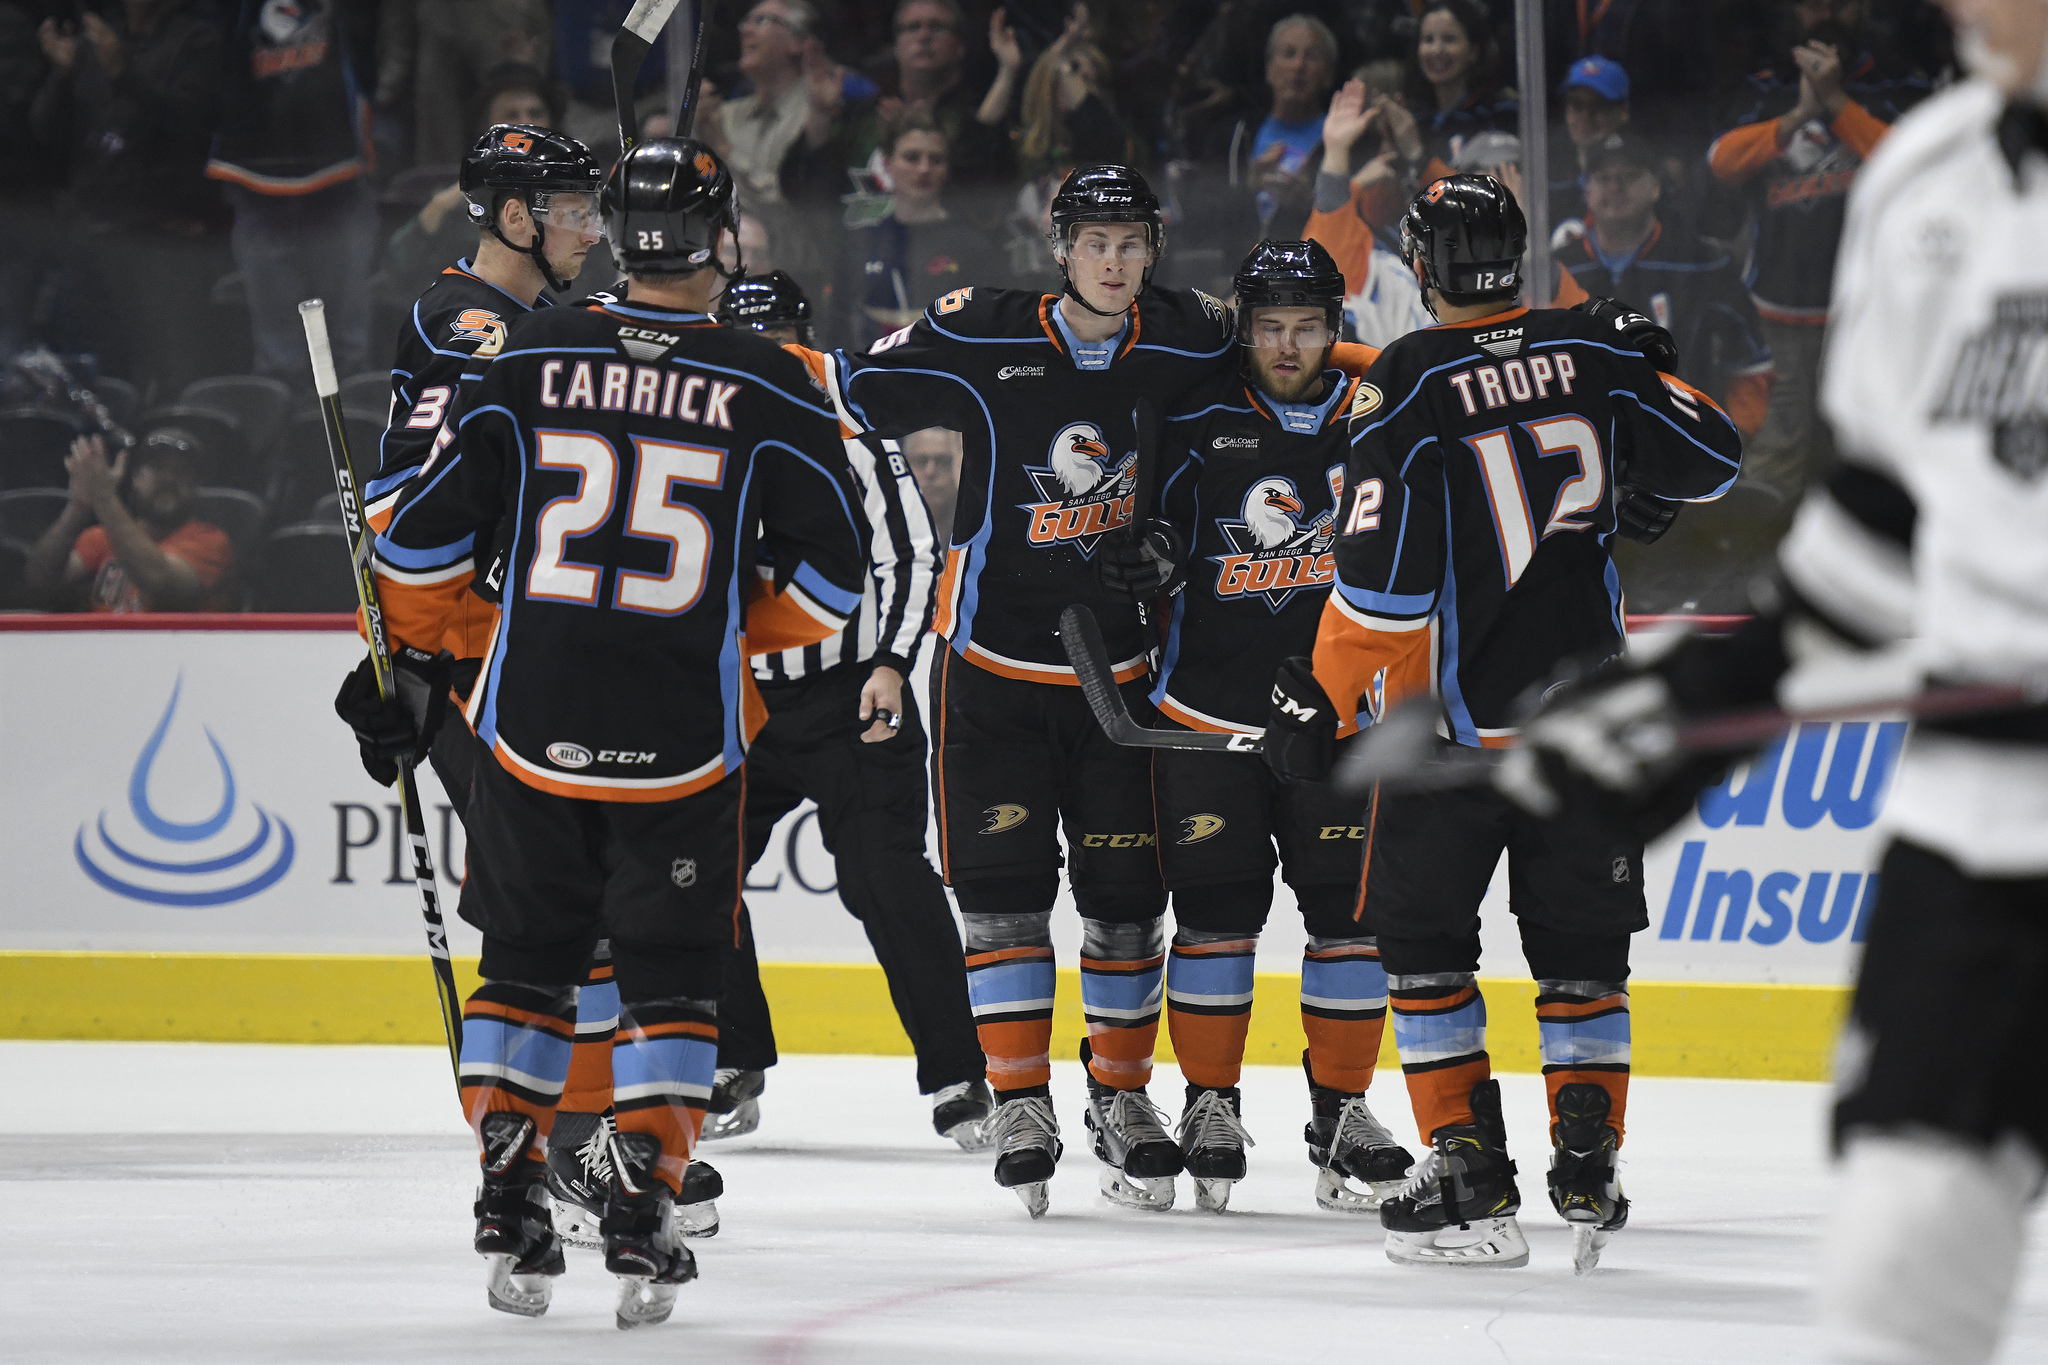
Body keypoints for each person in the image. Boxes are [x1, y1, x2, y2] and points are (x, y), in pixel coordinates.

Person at [1509, 0, 2047, 1353]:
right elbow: (1881, 520)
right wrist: (1684, 725)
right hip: (1978, 836)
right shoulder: (1929, 178)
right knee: (1896, 1275)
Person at [342, 137, 868, 1326]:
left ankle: (508, 1191)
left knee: (526, 966)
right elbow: (839, 585)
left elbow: (414, 546)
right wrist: (728, 624)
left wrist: (421, 655)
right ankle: (645, 1203)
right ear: (718, 233)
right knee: (674, 983)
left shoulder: (527, 353)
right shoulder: (768, 375)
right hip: (682, 733)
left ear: (618, 233)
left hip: (530, 724)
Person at [1260, 174, 1743, 1271]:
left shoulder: (1409, 379)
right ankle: (1586, 1161)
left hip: (1448, 738)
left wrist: (1318, 694)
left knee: (1424, 953)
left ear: (1423, 269)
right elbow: (1713, 460)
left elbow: (1379, 594)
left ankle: (1470, 1178)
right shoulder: (1589, 349)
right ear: (1515, 257)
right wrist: (1643, 368)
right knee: (1581, 959)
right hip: (1587, 728)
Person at [820, 164, 1237, 1218]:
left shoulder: (1189, 336)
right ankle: (1018, 1100)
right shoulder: (977, 331)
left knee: (1127, 905)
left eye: (1130, 243)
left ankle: (1121, 1098)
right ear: (1059, 247)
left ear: (1152, 250)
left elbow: (1299, 366)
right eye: (1093, 242)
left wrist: (1174, 542)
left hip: (1119, 677)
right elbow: (843, 383)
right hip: (992, 671)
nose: (1112, 261)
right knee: (1002, 899)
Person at [676, 269, 990, 1151]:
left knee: (884, 874)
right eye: (749, 346)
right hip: (743, 699)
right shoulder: (698, 433)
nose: (766, 361)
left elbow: (916, 555)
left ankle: (962, 1073)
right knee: (698, 870)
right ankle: (733, 1059)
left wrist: (892, 662)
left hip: (854, 694)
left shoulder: (849, 432)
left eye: (780, 341)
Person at [1137, 239, 1412, 1214]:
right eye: (1268, 326)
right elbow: (1137, 537)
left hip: (1338, 722)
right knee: (1215, 916)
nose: (1286, 345)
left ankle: (1340, 1115)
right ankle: (1207, 1103)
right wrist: (1145, 563)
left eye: (1305, 326)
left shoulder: (1379, 420)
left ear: (1334, 326)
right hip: (1206, 718)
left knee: (1347, 920)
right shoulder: (1194, 418)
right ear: (1242, 329)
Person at [1706, 0, 1932, 494]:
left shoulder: (1902, 84)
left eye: (1842, 5)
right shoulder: (1765, 86)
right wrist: (1796, 117)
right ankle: (1764, 565)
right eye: (1814, 5)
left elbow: (1919, 169)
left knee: (1865, 456)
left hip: (1871, 316)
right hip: (1776, 314)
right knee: (1774, 459)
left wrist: (1837, 106)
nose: (1827, 16)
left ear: (1866, 9)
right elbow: (1721, 160)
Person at [1555, 132, 1774, 436]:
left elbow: (1752, 358)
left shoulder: (1702, 262)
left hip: (1682, 445)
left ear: (1655, 186)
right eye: (1604, 178)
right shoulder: (1559, 269)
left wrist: (1735, 437)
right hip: (1586, 447)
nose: (1615, 187)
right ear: (1586, 191)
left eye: (1629, 176)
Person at [377, 64, 566, 307]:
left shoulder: (579, 196)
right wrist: (438, 209)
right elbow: (394, 272)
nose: (525, 124)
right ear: (488, 129)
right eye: (512, 115)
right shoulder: (457, 202)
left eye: (535, 113)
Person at [832, 114, 1003, 349]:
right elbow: (838, 326)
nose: (924, 169)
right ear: (887, 163)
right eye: (911, 158)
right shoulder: (862, 244)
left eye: (936, 159)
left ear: (947, 168)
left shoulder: (973, 247)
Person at [25, 431, 232, 613]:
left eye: (179, 471)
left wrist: (104, 497)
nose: (168, 479)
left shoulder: (211, 542)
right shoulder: (101, 537)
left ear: (195, 485)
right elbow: (40, 580)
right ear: (136, 478)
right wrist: (78, 508)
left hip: (171, 652)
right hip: (97, 649)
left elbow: (159, 579)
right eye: (158, 468)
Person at [1549, 54, 1632, 234]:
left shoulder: (1637, 174)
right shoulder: (1545, 170)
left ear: (1623, 112)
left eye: (1598, 106)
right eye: (1577, 105)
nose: (1585, 118)